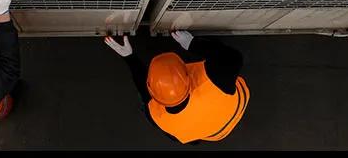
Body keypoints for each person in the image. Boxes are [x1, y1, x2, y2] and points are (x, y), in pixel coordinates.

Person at [104, 31, 249, 144]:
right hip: (233, 108)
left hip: (211, 134)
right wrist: (192, 44)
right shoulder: (215, 80)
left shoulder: (159, 117)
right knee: (221, 59)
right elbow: (234, 57)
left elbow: (143, 87)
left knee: (150, 109)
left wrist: (129, 57)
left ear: (152, 90)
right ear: (186, 76)